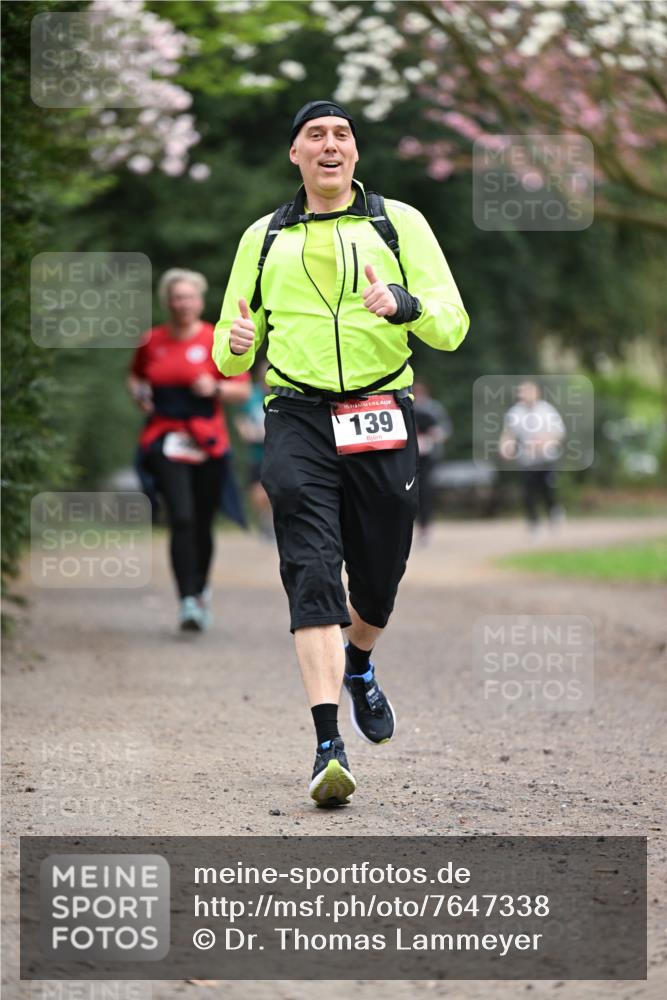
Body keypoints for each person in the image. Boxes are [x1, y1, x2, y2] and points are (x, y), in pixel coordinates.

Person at [213, 100, 470, 805]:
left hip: (381, 410)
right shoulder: (261, 238)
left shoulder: (399, 223)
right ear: (294, 155)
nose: (330, 145)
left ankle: (360, 661)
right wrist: (234, 348)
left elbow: (452, 326)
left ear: (355, 154)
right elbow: (229, 347)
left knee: (379, 575)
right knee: (310, 568)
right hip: (295, 413)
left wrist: (404, 304)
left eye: (342, 136)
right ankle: (328, 743)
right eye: (314, 136)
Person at [128, 269, 250, 631]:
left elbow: (241, 390)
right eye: (176, 297)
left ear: (200, 300)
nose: (182, 303)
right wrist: (139, 394)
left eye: (189, 297)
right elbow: (135, 376)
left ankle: (200, 588)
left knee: (201, 520)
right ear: (167, 301)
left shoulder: (218, 338)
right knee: (180, 517)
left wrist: (214, 389)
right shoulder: (151, 341)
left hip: (207, 439)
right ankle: (187, 600)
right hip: (165, 435)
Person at [499, 380, 566, 532]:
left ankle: (553, 512)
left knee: (547, 490)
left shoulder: (547, 410)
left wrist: (544, 441)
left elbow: (559, 432)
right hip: (527, 459)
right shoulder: (515, 412)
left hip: (546, 458)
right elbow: (508, 433)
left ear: (536, 393)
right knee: (527, 492)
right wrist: (505, 446)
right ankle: (533, 522)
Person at [234, 360, 274, 540]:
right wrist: (248, 432)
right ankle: (264, 520)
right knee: (257, 492)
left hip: (276, 452)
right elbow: (241, 422)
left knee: (274, 490)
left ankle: (273, 521)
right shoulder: (252, 397)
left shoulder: (281, 397)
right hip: (257, 453)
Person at [412, 380, 452, 545]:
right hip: (412, 459)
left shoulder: (434, 409)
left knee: (426, 491)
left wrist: (434, 435)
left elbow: (445, 429)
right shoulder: (407, 407)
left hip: (429, 458)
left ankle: (425, 527)